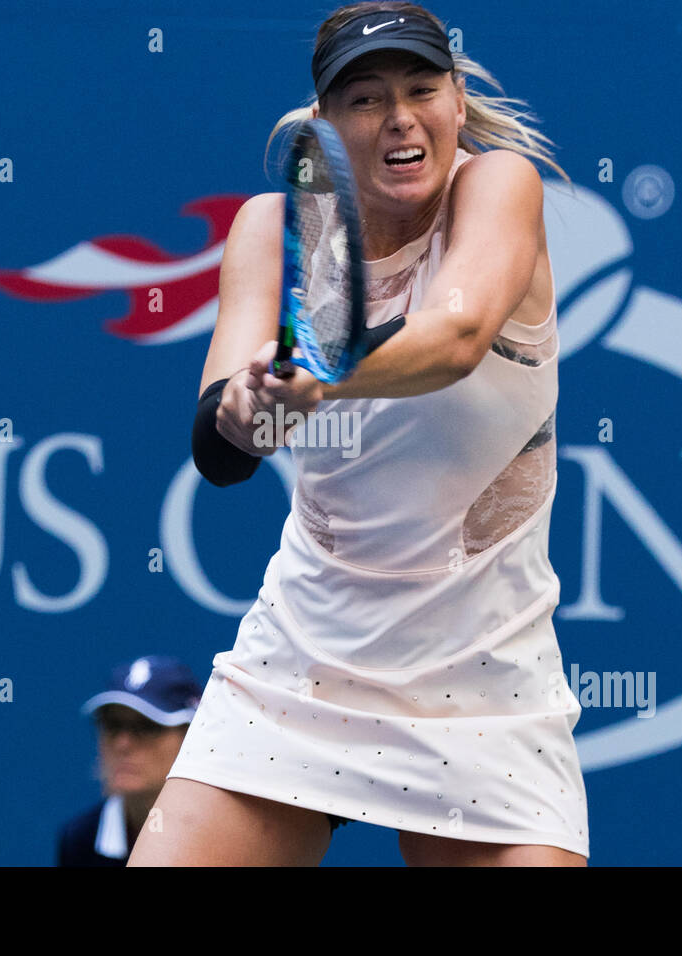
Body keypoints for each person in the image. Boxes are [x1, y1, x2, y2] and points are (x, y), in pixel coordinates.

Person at [130, 1, 588, 867]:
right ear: (324, 126)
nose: (401, 117)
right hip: (299, 665)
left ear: (457, 100)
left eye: (422, 88)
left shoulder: (500, 187)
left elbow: (455, 337)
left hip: (486, 683)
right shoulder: (273, 226)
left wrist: (322, 370)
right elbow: (223, 445)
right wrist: (247, 410)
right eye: (367, 98)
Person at [56, 655, 202, 866]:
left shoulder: (233, 832)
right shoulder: (80, 838)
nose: (122, 744)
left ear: (191, 738)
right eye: (113, 725)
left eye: (147, 726)